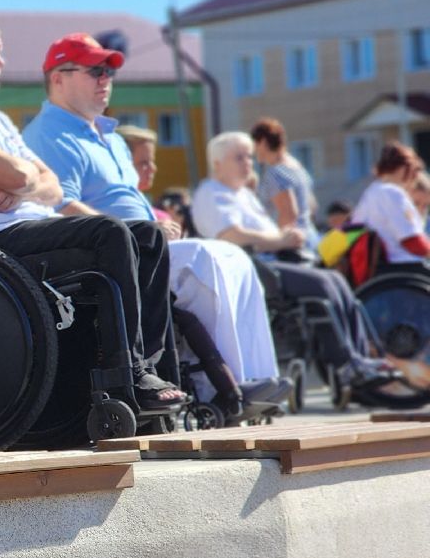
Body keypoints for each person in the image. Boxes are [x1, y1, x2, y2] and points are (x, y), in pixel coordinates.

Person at [0, 13, 185, 412]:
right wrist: (22, 181)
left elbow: (49, 184)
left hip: (26, 225)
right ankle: (126, 373)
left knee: (148, 235)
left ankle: (154, 370)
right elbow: (18, 172)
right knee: (110, 232)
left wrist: (22, 185)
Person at [20, 34, 283, 415]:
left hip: (143, 243)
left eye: (109, 71)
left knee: (231, 256)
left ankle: (257, 377)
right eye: (95, 70)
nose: (105, 79)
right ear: (58, 78)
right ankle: (219, 387)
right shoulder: (51, 134)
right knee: (206, 260)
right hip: (108, 254)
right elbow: (60, 205)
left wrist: (156, 224)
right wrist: (137, 231)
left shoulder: (107, 136)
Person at [192, 131, 394, 390]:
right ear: (217, 163)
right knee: (322, 284)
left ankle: (361, 356)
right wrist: (281, 240)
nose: (248, 163)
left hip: (268, 261)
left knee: (335, 279)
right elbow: (232, 235)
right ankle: (344, 363)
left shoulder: (241, 194)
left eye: (249, 157)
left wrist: (286, 237)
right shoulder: (211, 193)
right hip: (247, 268)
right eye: (239, 157)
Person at [350, 143, 429, 266]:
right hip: (401, 264)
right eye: (415, 172)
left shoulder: (372, 192)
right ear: (404, 169)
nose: (414, 179)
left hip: (379, 266)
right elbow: (412, 241)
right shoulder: (392, 192)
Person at [251, 118, 320, 259]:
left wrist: (280, 243)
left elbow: (288, 214)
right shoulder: (297, 167)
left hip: (292, 248)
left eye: (254, 144)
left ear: (263, 142)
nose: (253, 151)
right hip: (310, 239)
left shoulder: (276, 172)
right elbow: (312, 206)